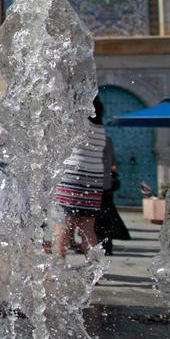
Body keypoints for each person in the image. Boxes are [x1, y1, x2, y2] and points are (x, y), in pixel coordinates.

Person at [53, 97, 107, 258]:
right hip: (94, 181)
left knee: (62, 226)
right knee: (88, 228)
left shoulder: (77, 124)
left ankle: (58, 268)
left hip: (72, 178)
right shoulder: (101, 129)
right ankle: (93, 267)